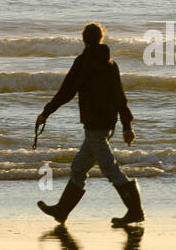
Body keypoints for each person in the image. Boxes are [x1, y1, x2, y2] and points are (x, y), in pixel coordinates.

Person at [36, 23, 144, 226]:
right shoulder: (110, 63)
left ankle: (135, 211)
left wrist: (46, 112)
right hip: (107, 123)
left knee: (110, 169)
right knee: (79, 167)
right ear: (101, 38)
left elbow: (66, 91)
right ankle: (62, 210)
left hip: (94, 124)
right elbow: (120, 97)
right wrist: (127, 125)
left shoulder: (83, 61)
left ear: (84, 38)